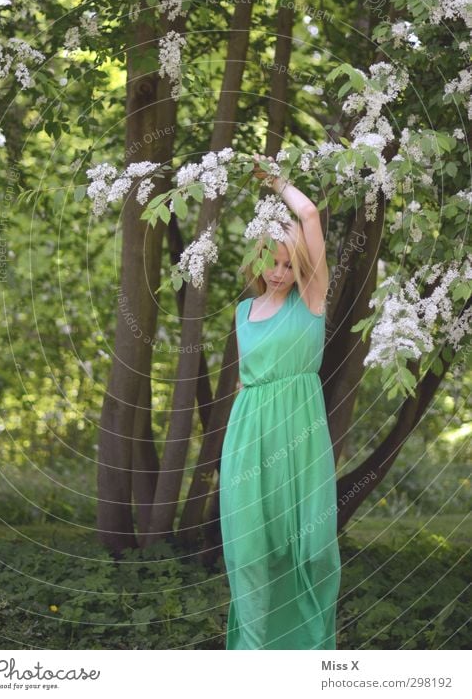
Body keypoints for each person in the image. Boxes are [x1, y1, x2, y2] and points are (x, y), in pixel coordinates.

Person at [219, 153, 341, 650]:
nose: (280, 271)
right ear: (259, 255)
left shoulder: (311, 299)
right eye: (273, 259)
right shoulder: (245, 311)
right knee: (250, 549)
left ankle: (308, 654)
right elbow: (247, 382)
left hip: (300, 432)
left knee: (312, 549)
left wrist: (275, 182)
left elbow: (309, 216)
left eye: (291, 264)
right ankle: (253, 658)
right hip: (248, 436)